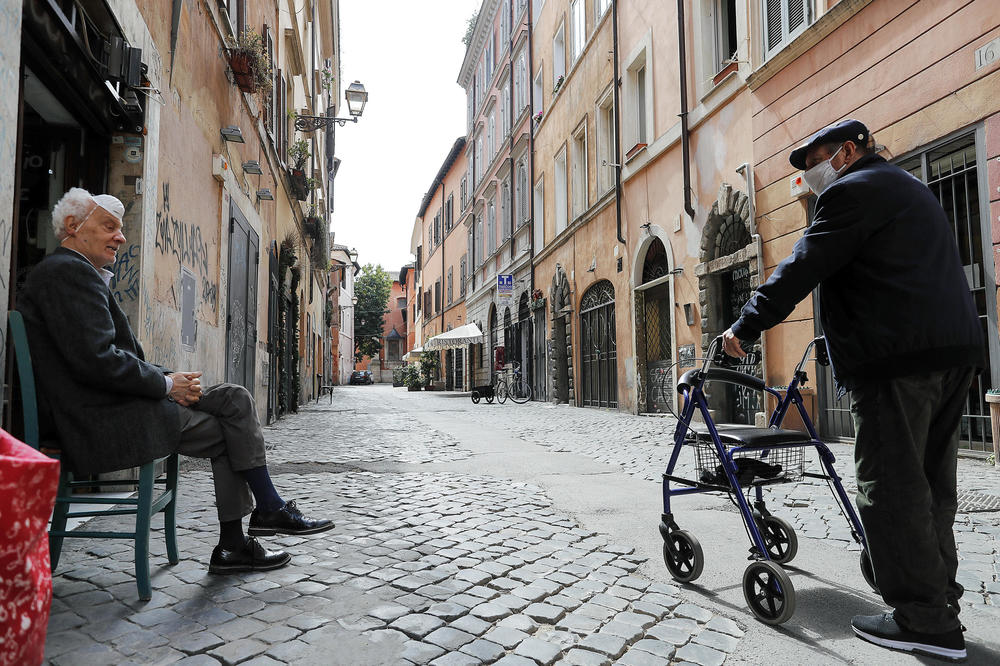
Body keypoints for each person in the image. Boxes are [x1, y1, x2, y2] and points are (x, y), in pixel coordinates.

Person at [723, 119, 982, 662]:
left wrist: (743, 330)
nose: (810, 178)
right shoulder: (907, 186)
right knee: (933, 487)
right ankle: (939, 603)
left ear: (845, 152)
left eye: (814, 162)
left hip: (895, 361)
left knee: (889, 489)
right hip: (951, 353)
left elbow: (800, 268)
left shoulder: (852, 192)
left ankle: (924, 621)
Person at [17, 187, 334, 575]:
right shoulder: (68, 273)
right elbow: (98, 362)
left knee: (234, 397)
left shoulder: (74, 273)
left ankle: (263, 514)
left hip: (112, 402)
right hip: (99, 418)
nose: (120, 236)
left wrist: (169, 378)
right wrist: (168, 386)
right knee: (225, 432)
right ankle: (242, 535)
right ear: (72, 226)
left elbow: (108, 359)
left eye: (120, 228)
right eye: (109, 227)